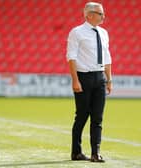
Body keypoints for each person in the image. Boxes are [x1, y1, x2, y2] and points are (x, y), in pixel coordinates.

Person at [66, 2, 112, 162]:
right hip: (83, 78)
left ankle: (95, 153)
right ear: (89, 15)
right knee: (82, 116)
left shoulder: (104, 33)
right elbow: (71, 57)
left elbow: (107, 57)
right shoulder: (77, 32)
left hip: (99, 78)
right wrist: (75, 80)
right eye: (100, 14)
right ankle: (76, 152)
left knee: (98, 117)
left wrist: (109, 79)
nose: (103, 16)